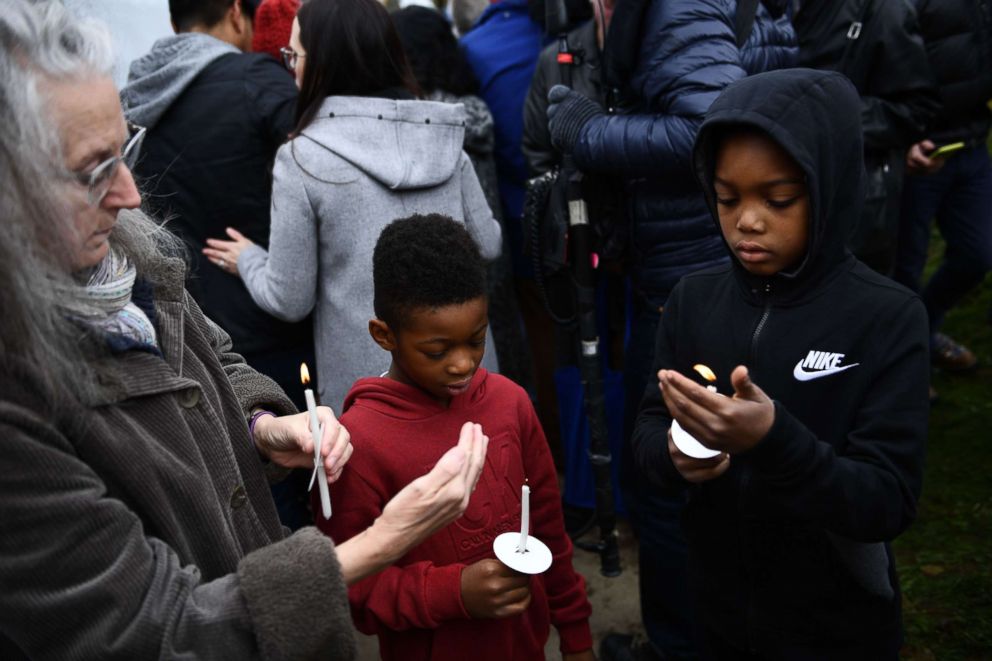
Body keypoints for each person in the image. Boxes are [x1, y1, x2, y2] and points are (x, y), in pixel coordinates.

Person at [0, 2, 488, 658]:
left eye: (126, 153)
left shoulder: (122, 252)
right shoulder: (16, 391)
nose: (131, 196)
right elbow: (145, 627)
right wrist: (377, 545)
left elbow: (217, 351)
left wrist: (261, 425)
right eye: (93, 172)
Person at [630, 68, 929, 657]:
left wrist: (773, 441)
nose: (747, 219)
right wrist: (673, 453)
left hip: (835, 625)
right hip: (717, 612)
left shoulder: (887, 317)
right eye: (726, 197)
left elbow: (887, 499)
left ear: (831, 186)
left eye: (778, 199)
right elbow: (644, 431)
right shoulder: (692, 300)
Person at [546, 2, 797, 658]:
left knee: (668, 478)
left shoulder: (674, 7)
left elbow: (710, 126)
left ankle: (680, 645)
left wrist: (593, 131)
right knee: (716, 473)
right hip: (707, 267)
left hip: (698, 278)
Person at [204, 0, 502, 413]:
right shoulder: (442, 137)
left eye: (294, 55)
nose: (290, 67)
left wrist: (250, 259)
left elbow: (290, 299)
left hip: (371, 395)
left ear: (325, 63)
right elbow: (488, 243)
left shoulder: (302, 158)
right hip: (467, 374)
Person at [323, 214, 594, 661]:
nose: (463, 364)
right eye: (437, 350)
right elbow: (350, 588)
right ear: (384, 335)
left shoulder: (510, 403)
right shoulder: (357, 444)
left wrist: (576, 634)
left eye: (476, 339)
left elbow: (548, 527)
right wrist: (454, 592)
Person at [123, 0, 314, 410]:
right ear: (234, 12)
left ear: (174, 22)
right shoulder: (257, 79)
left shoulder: (138, 95)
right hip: (271, 321)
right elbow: (318, 161)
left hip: (187, 329)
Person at [392, 5, 532, 393]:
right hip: (498, 261)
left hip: (448, 278)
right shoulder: (476, 116)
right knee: (510, 365)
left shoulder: (414, 127)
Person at [791, 0, 938, 274]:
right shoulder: (761, 10)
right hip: (775, 200)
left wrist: (826, 115)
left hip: (854, 208)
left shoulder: (882, 11)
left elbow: (914, 109)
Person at [893, 0, 992, 386]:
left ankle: (925, 331)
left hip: (971, 144)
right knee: (904, 270)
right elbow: (881, 60)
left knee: (977, 254)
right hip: (919, 153)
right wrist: (903, 140)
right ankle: (903, 368)